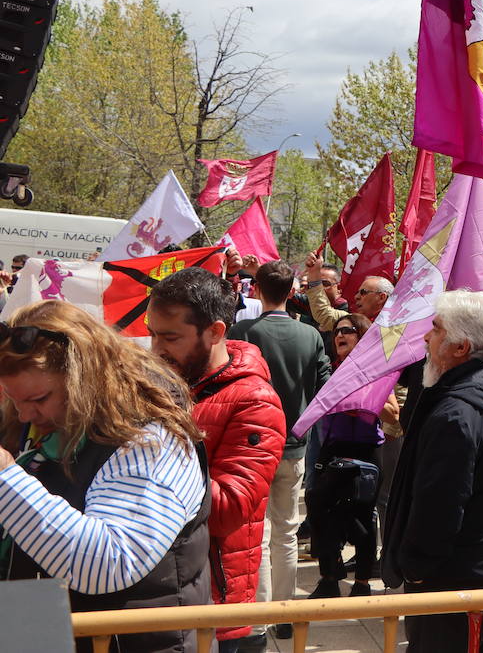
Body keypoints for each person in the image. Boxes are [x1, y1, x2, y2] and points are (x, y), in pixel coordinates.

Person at [0, 301, 211, 653]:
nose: (24, 414)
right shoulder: (66, 422)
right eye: (12, 399)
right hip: (57, 633)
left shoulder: (152, 438)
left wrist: (6, 478)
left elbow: (111, 562)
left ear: (84, 378)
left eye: (38, 398)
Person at [382, 289, 483, 653]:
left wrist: (417, 568)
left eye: (436, 329)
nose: (426, 338)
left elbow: (438, 510)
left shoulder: (456, 415)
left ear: (461, 347)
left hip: (458, 589)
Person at [147, 267, 287, 653]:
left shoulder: (255, 401)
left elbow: (228, 508)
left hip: (211, 602)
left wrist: (148, 457)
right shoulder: (168, 381)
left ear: (216, 332)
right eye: (153, 333)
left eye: (170, 337)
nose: (155, 348)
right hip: (160, 591)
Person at [227, 259, 332, 639]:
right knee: (286, 532)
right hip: (293, 447)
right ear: (292, 292)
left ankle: (260, 617)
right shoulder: (310, 336)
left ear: (256, 289)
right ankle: (283, 615)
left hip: (252, 446)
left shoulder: (242, 331)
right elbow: (325, 388)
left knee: (260, 531)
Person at [306, 314, 391, 599]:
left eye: (348, 330)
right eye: (337, 331)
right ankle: (329, 578)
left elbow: (393, 413)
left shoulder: (378, 371)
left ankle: (363, 582)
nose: (339, 335)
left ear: (363, 336)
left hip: (365, 453)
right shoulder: (331, 370)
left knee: (362, 518)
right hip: (332, 449)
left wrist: (362, 403)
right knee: (321, 511)